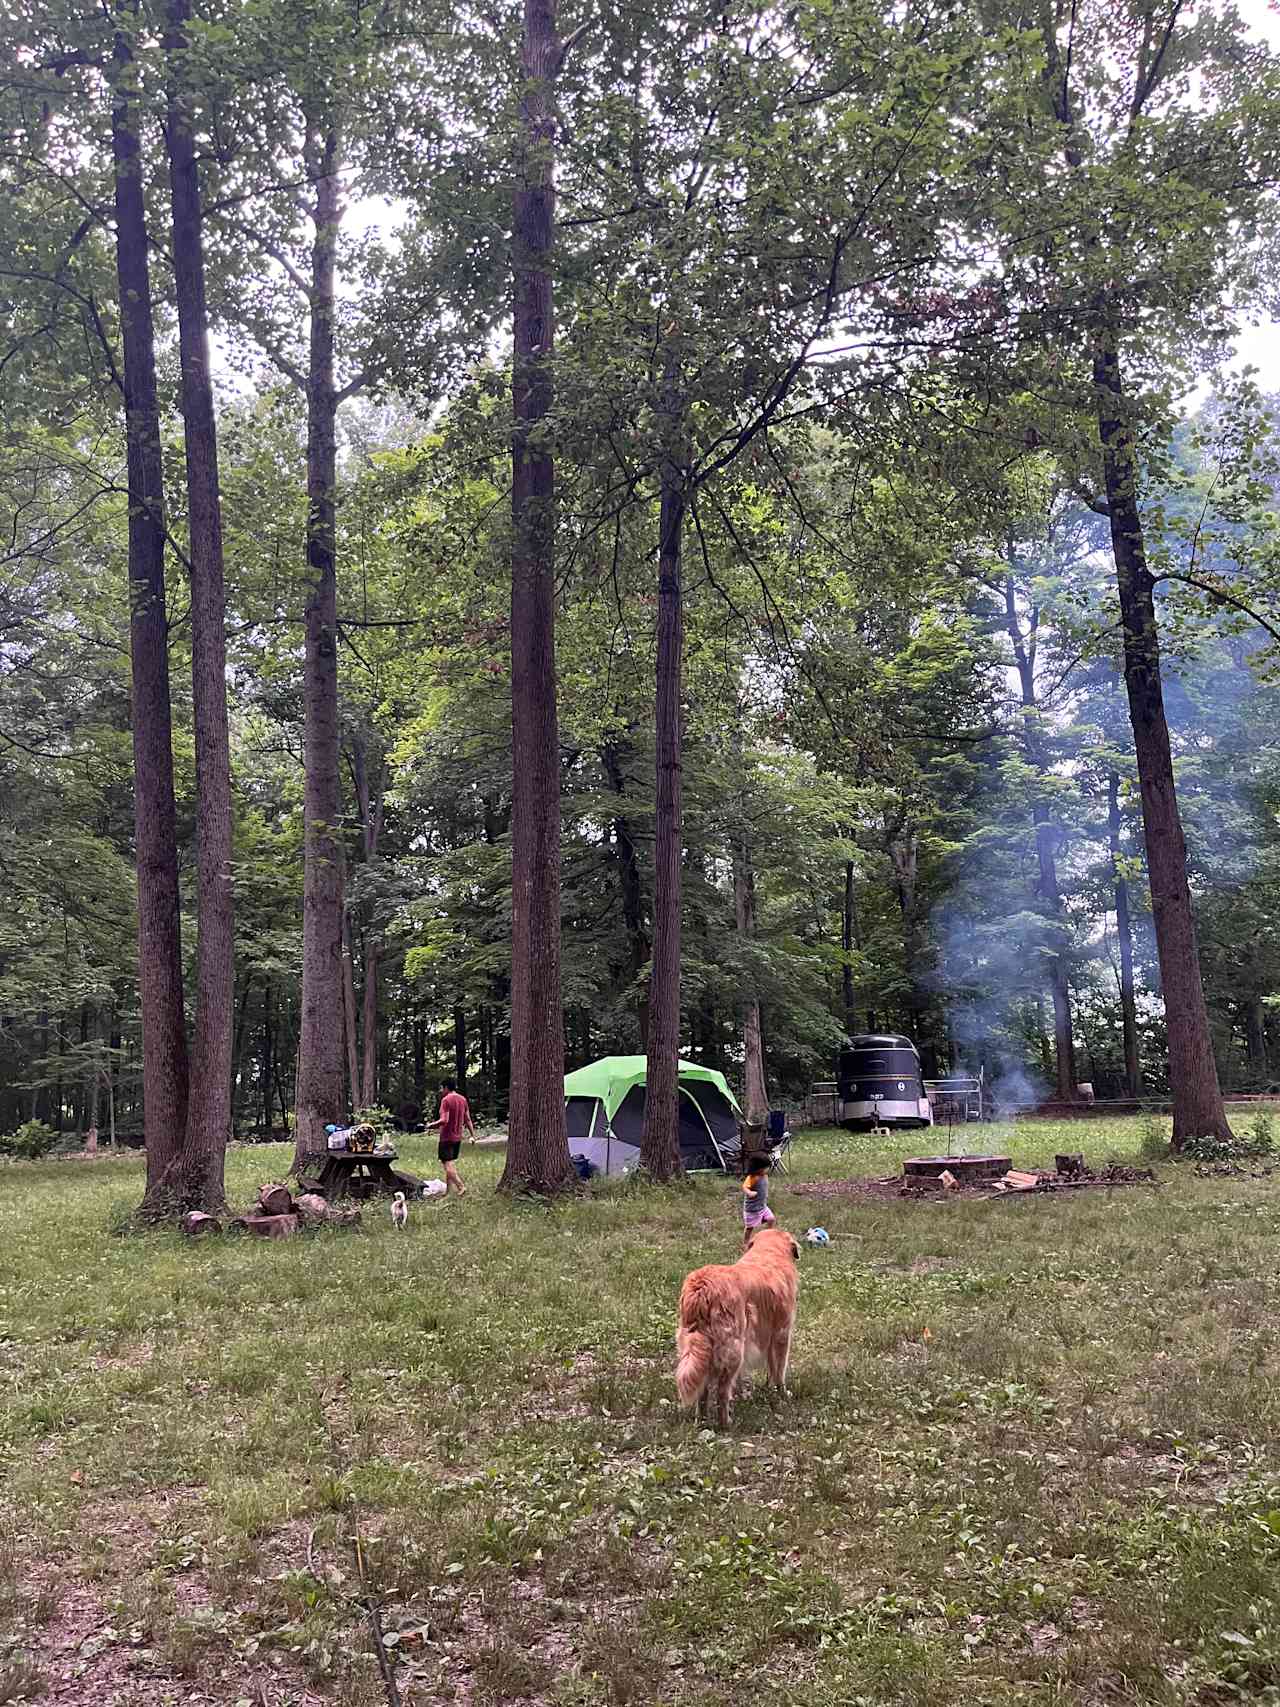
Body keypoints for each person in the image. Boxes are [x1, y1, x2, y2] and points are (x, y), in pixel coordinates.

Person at [425, 1078, 476, 1196]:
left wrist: (430, 1125)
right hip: (458, 1137)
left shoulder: (446, 1100)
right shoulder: (463, 1099)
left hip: (447, 1137)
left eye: (441, 1088)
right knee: (450, 1164)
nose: (441, 1090)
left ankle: (461, 1186)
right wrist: (473, 1135)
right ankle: (448, 1192)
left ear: (446, 1087)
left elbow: (444, 1120)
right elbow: (467, 1119)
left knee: (447, 1164)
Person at [741, 1150, 775, 1244]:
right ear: (757, 1168)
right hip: (752, 1209)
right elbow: (744, 1187)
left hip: (762, 1206)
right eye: (765, 1168)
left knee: (771, 1219)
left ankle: (769, 1235)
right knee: (749, 1228)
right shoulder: (752, 1177)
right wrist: (749, 1193)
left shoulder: (764, 1175)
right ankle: (745, 1242)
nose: (767, 1169)